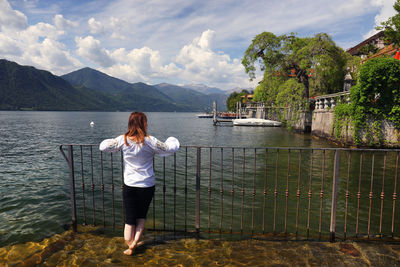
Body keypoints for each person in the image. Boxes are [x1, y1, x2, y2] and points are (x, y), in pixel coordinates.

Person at [99, 112, 179, 255]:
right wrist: (173, 139)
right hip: (147, 185)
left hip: (130, 185)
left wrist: (113, 141)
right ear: (144, 124)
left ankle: (130, 245)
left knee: (130, 219)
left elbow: (103, 147)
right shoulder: (150, 141)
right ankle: (135, 242)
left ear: (130, 123)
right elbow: (169, 148)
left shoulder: (123, 140)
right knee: (141, 216)